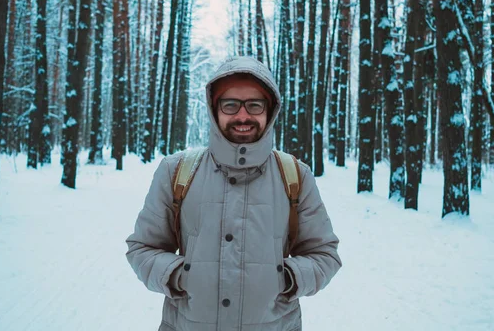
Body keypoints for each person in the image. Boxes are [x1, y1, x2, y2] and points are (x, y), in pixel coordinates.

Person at [126, 56, 341, 331]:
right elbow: (142, 248)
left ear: (270, 110)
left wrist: (287, 279)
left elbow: (324, 254)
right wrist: (180, 276)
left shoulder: (296, 175)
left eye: (254, 105)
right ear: (214, 110)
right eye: (230, 105)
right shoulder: (175, 172)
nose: (242, 116)